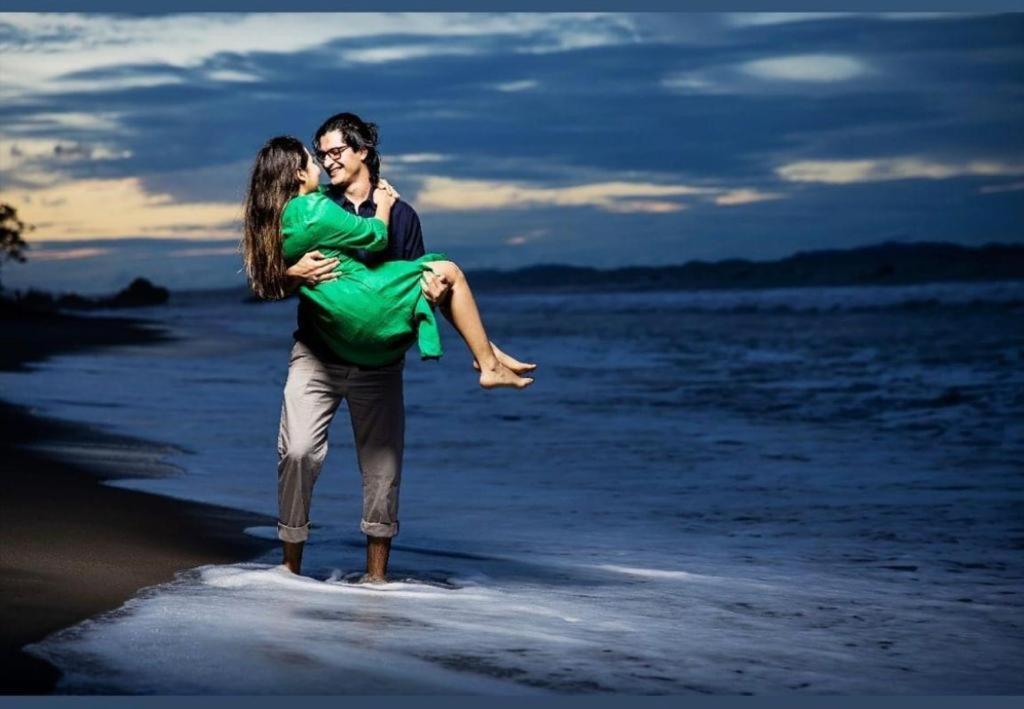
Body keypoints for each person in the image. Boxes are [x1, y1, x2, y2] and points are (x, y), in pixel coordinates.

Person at [240, 120, 535, 583]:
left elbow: (408, 293)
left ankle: (377, 580)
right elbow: (266, 279)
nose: (326, 161)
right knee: (296, 453)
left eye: (336, 152)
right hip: (317, 355)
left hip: (378, 365)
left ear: (362, 152)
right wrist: (292, 273)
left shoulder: (402, 216)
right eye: (320, 154)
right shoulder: (316, 205)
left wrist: (436, 292)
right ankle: (288, 570)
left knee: (383, 469)